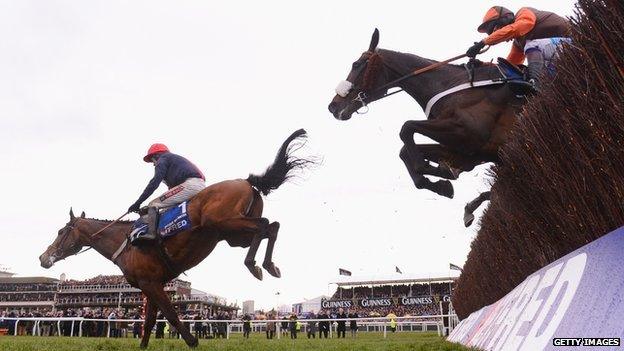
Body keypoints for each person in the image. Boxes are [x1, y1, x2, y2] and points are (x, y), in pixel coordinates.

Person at [466, 6, 571, 89]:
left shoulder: (524, 13)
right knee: (525, 73)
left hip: (575, 42)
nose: (502, 37)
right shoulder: (519, 43)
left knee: (532, 45)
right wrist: (483, 65)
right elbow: (510, 66)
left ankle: (536, 83)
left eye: (497, 31)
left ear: (505, 20)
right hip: (564, 59)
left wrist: (483, 42)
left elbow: (517, 28)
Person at [128, 143, 206, 241]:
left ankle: (151, 234)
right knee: (165, 210)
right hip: (195, 185)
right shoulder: (173, 161)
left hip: (191, 185)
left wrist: (137, 203)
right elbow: (171, 193)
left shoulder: (163, 159)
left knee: (153, 204)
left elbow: (154, 183)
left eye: (152, 160)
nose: (153, 164)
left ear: (156, 155)